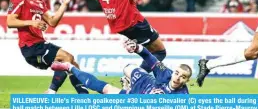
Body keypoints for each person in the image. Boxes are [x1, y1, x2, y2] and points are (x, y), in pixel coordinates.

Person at [6, 0, 88, 94]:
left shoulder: (39, 1)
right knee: (67, 58)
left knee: (72, 63)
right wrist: (31, 22)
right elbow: (10, 21)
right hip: (31, 46)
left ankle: (81, 96)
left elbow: (52, 21)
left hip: (40, 44)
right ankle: (53, 92)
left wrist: (64, 4)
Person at [51, 39, 191, 94]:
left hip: (135, 98)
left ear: (186, 81)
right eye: (177, 73)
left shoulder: (183, 96)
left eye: (183, 77)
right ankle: (128, 81)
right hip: (145, 83)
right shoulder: (165, 73)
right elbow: (149, 56)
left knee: (106, 89)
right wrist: (136, 47)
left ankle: (70, 68)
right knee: (129, 67)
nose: (178, 78)